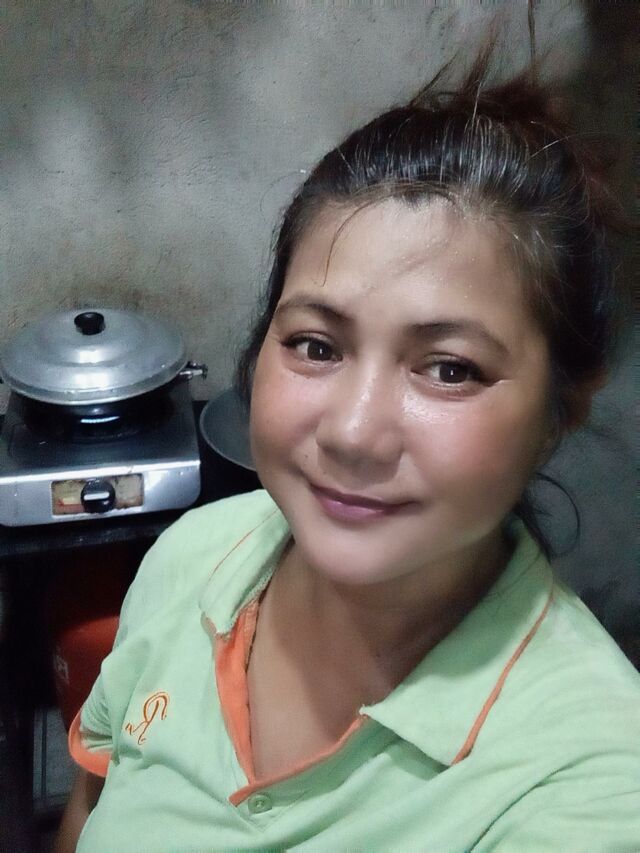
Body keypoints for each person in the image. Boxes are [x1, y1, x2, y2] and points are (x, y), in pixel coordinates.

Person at [55, 52, 640, 852]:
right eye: (316, 346)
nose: (354, 433)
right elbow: (92, 809)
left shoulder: (591, 782)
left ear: (560, 407)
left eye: (449, 368)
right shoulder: (194, 556)